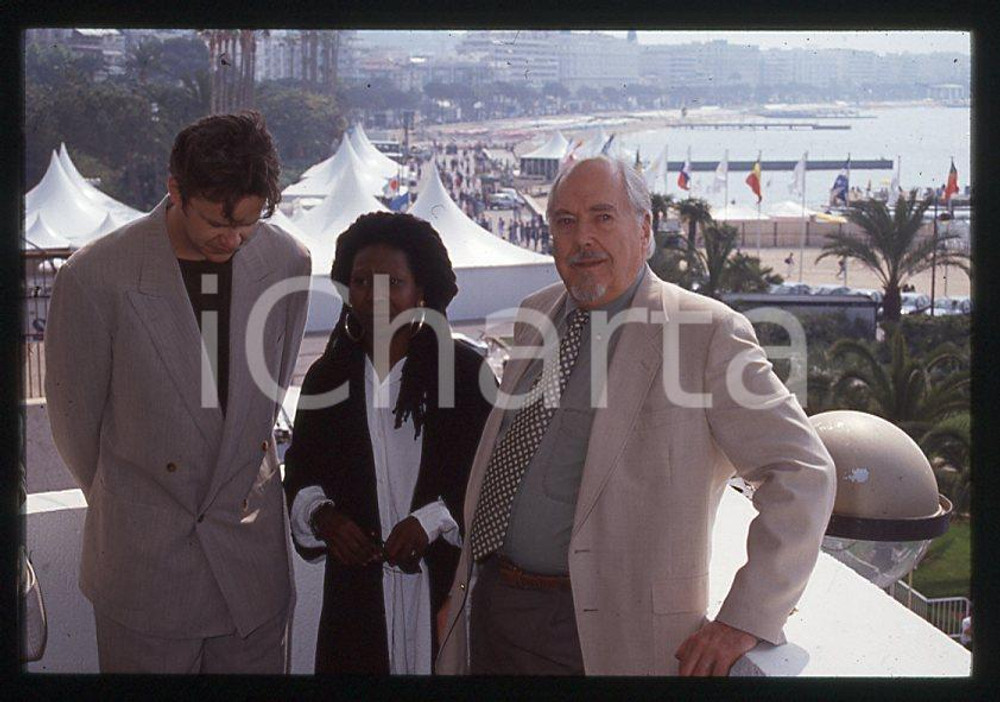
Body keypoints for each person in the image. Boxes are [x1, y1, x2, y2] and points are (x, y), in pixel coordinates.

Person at [435, 156, 836, 676]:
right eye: (565, 221)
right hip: (494, 609)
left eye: (603, 217)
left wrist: (746, 618)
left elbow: (803, 471)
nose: (583, 239)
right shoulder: (539, 315)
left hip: (599, 634)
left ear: (644, 229)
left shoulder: (704, 332)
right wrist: (465, 591)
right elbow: (520, 458)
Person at [45, 111, 311, 673]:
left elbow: (260, 404)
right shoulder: (95, 276)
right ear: (175, 190)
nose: (233, 238)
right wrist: (142, 513)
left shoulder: (288, 260)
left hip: (251, 569)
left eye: (250, 220)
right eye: (219, 220)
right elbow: (76, 432)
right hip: (145, 573)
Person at [283, 212, 495, 673]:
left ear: (421, 292)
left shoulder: (463, 374)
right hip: (356, 600)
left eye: (393, 282)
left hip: (441, 592)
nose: (375, 296)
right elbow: (300, 474)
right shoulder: (327, 378)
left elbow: (491, 477)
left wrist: (431, 521)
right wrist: (325, 518)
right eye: (360, 281)